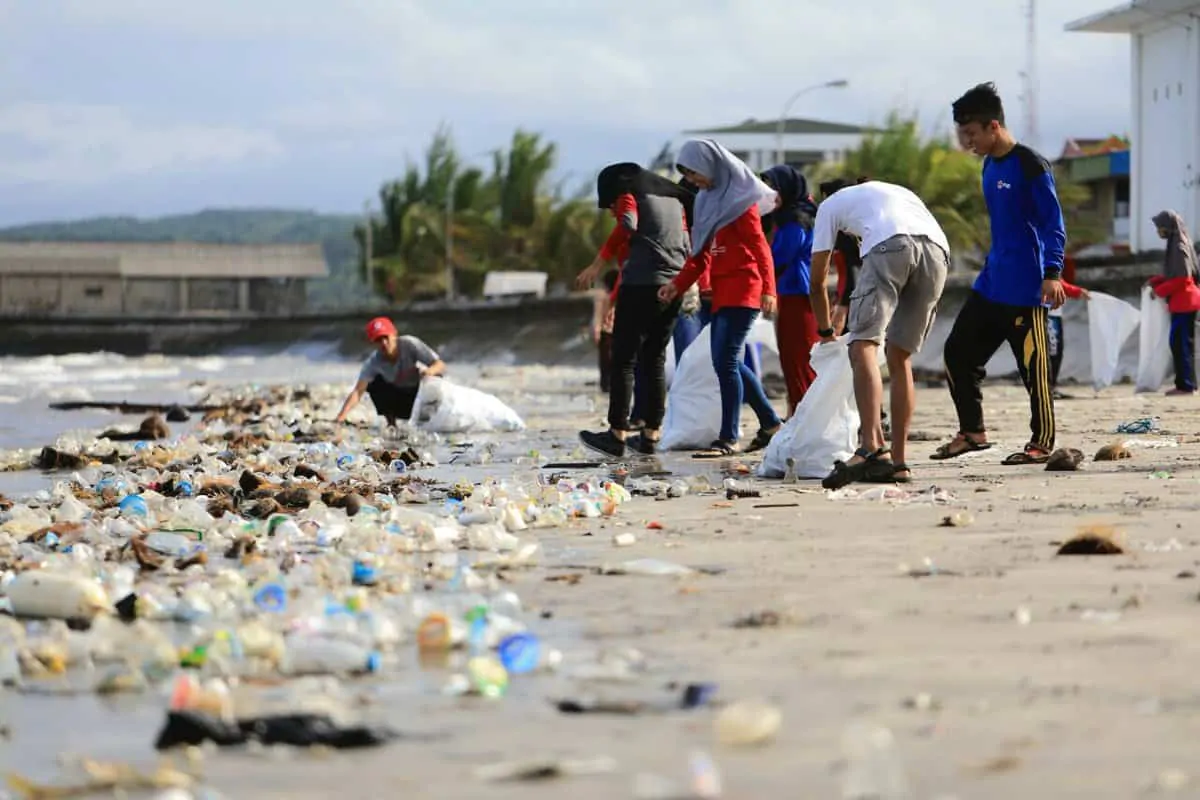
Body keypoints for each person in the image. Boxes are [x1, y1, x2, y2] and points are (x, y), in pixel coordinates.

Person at [938, 82, 1067, 466]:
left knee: (1034, 371)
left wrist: (1053, 272)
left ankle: (1041, 441)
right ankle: (973, 433)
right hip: (991, 282)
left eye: (972, 134)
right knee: (957, 354)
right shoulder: (989, 165)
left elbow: (1052, 224)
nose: (967, 142)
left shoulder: (1030, 165)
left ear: (993, 126)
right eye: (963, 134)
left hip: (1026, 288)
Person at [808, 181, 950, 488]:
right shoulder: (893, 193)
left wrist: (825, 331)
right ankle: (898, 463)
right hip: (938, 252)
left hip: (891, 246)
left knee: (862, 347)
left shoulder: (829, 206)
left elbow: (817, 279)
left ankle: (870, 447)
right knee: (899, 357)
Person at [659, 139, 782, 456]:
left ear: (711, 164)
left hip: (744, 288)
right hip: (721, 292)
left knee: (725, 361)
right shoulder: (706, 202)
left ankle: (728, 437)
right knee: (727, 361)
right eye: (687, 174)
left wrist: (769, 289)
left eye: (694, 172)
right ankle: (770, 423)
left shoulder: (741, 203)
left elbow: (760, 249)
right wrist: (677, 285)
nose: (692, 180)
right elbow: (699, 257)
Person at [576, 162, 693, 458]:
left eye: (610, 204)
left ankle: (617, 434)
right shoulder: (672, 201)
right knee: (654, 357)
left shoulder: (630, 195)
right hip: (674, 286)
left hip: (640, 285)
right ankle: (651, 435)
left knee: (624, 359)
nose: (612, 211)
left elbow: (627, 221)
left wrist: (600, 261)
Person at [761, 164, 819, 416]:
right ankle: (798, 414)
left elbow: (779, 258)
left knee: (799, 358)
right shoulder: (784, 218)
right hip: (788, 294)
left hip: (797, 294)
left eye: (773, 187)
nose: (770, 193)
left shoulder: (796, 220)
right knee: (790, 357)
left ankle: (805, 415)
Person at [335, 316, 445, 426]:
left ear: (394, 335)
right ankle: (391, 423)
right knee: (373, 383)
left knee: (434, 378)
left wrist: (429, 371)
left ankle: (428, 420)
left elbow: (439, 365)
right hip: (401, 402)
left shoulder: (410, 344)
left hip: (421, 397)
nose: (384, 343)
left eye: (386, 337)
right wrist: (341, 416)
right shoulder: (373, 362)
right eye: (378, 340)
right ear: (373, 343)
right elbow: (358, 392)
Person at [1149, 210, 1200, 395]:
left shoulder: (1178, 247)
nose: (1158, 231)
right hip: (1184, 301)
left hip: (1184, 301)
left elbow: (1182, 279)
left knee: (1180, 343)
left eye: (1160, 227)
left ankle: (1185, 385)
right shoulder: (1178, 244)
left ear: (1168, 227)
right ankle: (1187, 384)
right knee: (1182, 343)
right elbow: (1174, 274)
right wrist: (1157, 280)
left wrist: (1159, 291)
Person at [1047, 253, 1090, 396]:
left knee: (1055, 352)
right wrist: (1078, 292)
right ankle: (1048, 388)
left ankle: (1050, 387)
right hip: (1049, 314)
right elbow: (1058, 284)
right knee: (1053, 352)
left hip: (1053, 313)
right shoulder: (1046, 257)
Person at [591, 269, 619, 393]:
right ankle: (612, 383)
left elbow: (597, 315)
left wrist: (596, 329)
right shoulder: (620, 294)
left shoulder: (602, 296)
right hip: (616, 330)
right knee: (616, 359)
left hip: (606, 331)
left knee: (604, 360)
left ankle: (605, 384)